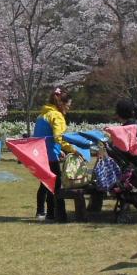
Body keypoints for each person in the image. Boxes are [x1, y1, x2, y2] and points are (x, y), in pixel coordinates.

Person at [32, 88, 77, 222]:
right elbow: (58, 137)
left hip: (40, 154)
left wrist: (59, 150)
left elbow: (43, 136)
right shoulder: (56, 116)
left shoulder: (42, 115)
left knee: (45, 183)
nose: (69, 107)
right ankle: (56, 214)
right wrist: (73, 149)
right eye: (68, 104)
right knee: (56, 185)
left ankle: (41, 211)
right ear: (61, 103)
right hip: (50, 155)